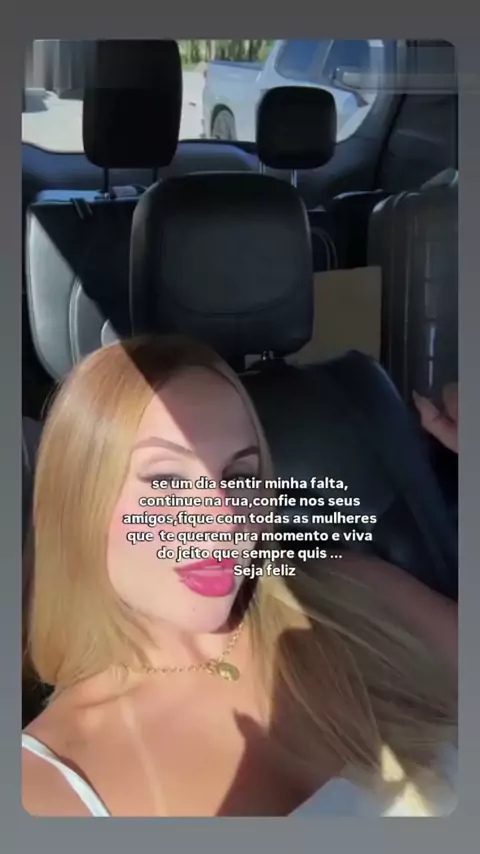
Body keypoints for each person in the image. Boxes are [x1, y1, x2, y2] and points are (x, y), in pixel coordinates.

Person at [22, 335, 457, 817]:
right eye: (166, 481)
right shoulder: (43, 788)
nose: (225, 520)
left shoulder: (351, 594)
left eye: (240, 476)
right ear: (77, 506)